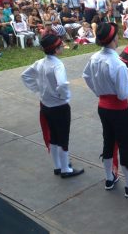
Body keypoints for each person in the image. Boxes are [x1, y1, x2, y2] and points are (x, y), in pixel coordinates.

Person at [82, 22, 128, 197]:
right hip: (119, 110)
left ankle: (109, 178)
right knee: (125, 144)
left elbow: (86, 76)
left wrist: (98, 90)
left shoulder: (95, 57)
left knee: (108, 141)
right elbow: (123, 93)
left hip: (103, 106)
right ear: (113, 39)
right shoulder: (117, 64)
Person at [21, 34, 84, 178]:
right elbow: (62, 84)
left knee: (54, 136)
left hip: (45, 105)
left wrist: (39, 90)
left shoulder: (40, 63)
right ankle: (65, 170)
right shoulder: (57, 64)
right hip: (59, 106)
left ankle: (58, 166)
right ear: (56, 50)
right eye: (61, 45)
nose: (63, 46)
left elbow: (25, 75)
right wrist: (65, 96)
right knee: (63, 137)